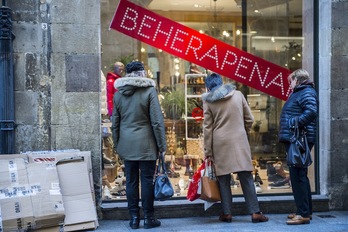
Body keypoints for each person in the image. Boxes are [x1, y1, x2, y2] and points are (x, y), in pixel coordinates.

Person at [202, 73, 269, 223]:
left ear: (208, 87)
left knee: (223, 179)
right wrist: (242, 131)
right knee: (246, 177)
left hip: (220, 143)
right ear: (222, 82)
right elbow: (250, 119)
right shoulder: (238, 95)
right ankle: (256, 212)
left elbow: (208, 128)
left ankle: (227, 213)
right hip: (239, 140)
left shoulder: (209, 102)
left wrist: (207, 151)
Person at [111, 61, 167, 230]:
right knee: (147, 181)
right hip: (147, 144)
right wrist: (162, 145)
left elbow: (115, 124)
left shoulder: (118, 94)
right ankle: (149, 218)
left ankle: (134, 218)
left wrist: (117, 145)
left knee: (131, 182)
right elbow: (157, 122)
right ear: (142, 73)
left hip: (127, 144)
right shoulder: (149, 91)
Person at [278, 69, 318, 225]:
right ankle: (305, 210)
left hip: (299, 139)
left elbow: (312, 111)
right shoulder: (302, 92)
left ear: (297, 79)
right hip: (298, 138)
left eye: (291, 81)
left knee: (297, 176)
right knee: (300, 175)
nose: (290, 84)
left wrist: (294, 123)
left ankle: (303, 214)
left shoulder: (305, 92)